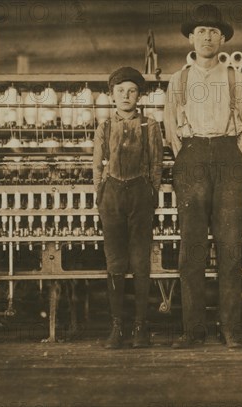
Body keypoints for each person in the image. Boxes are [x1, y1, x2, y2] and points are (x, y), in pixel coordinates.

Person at [163, 4, 242, 349]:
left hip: (229, 154)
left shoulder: (235, 78)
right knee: (192, 248)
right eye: (201, 31)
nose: (207, 36)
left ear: (222, 39)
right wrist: (189, 155)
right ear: (191, 37)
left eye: (213, 32)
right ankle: (193, 329)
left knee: (230, 246)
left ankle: (231, 328)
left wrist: (232, 154)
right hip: (192, 156)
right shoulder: (179, 78)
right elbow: (170, 127)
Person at [93, 66, 163, 349]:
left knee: (140, 261)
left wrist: (151, 191)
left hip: (140, 194)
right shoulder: (105, 127)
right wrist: (100, 192)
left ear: (139, 96)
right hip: (111, 196)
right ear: (112, 95)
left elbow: (157, 164)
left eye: (131, 91)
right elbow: (96, 165)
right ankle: (116, 327)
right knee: (115, 262)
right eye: (120, 91)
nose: (126, 95)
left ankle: (140, 327)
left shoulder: (150, 126)